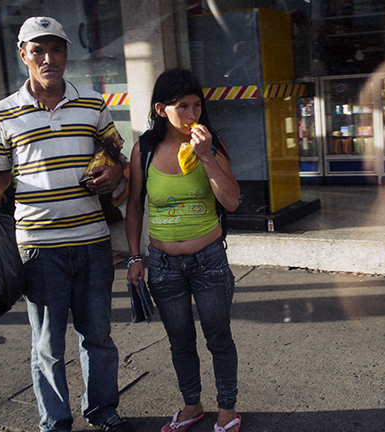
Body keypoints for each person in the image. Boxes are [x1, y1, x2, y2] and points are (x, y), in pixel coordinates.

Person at [0, 16, 132, 432]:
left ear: (66, 53)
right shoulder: (2, 113)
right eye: (38, 50)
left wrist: (115, 173)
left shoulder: (93, 103)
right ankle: (55, 422)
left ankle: (103, 411)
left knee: (98, 337)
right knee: (47, 346)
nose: (49, 58)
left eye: (56, 49)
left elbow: (115, 155)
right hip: (38, 247)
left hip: (93, 241)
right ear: (23, 55)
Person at [125, 68, 242, 432]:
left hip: (208, 260)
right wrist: (134, 257)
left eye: (196, 106)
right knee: (180, 340)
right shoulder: (144, 149)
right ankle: (192, 404)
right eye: (183, 107)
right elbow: (134, 206)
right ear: (161, 109)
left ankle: (227, 410)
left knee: (217, 334)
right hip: (162, 264)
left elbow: (232, 201)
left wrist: (206, 156)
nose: (193, 115)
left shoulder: (212, 145)